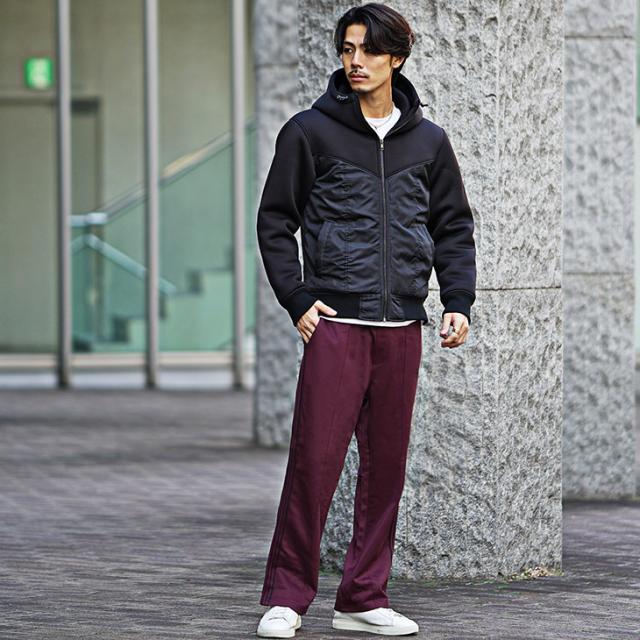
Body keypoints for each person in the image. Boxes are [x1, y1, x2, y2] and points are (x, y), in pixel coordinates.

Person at [255, 3, 476, 637]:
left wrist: (457, 300)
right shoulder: (309, 132)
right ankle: (287, 598)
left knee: (386, 471)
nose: (356, 61)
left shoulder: (428, 142)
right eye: (348, 49)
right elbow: (276, 221)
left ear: (396, 58)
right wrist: (298, 298)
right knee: (314, 464)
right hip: (338, 325)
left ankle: (361, 597)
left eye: (370, 51)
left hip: (401, 328)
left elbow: (452, 226)